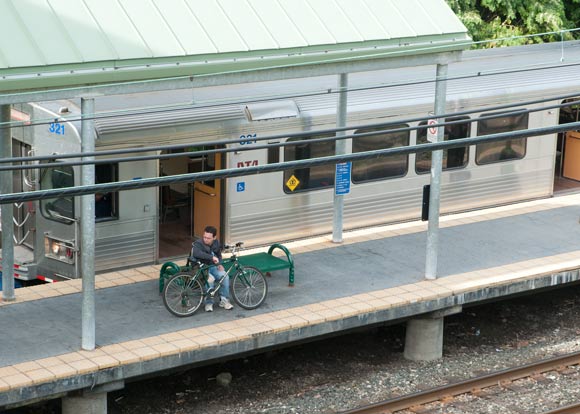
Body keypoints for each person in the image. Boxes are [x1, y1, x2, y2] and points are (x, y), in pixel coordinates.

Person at [190, 225, 234, 312]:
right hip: (201, 268)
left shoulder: (216, 243)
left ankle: (224, 300)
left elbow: (218, 255)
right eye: (204, 237)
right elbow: (196, 253)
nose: (205, 239)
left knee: (224, 276)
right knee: (210, 280)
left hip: (213, 266)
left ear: (214, 237)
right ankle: (208, 302)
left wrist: (219, 263)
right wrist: (211, 257)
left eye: (208, 238)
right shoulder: (199, 243)